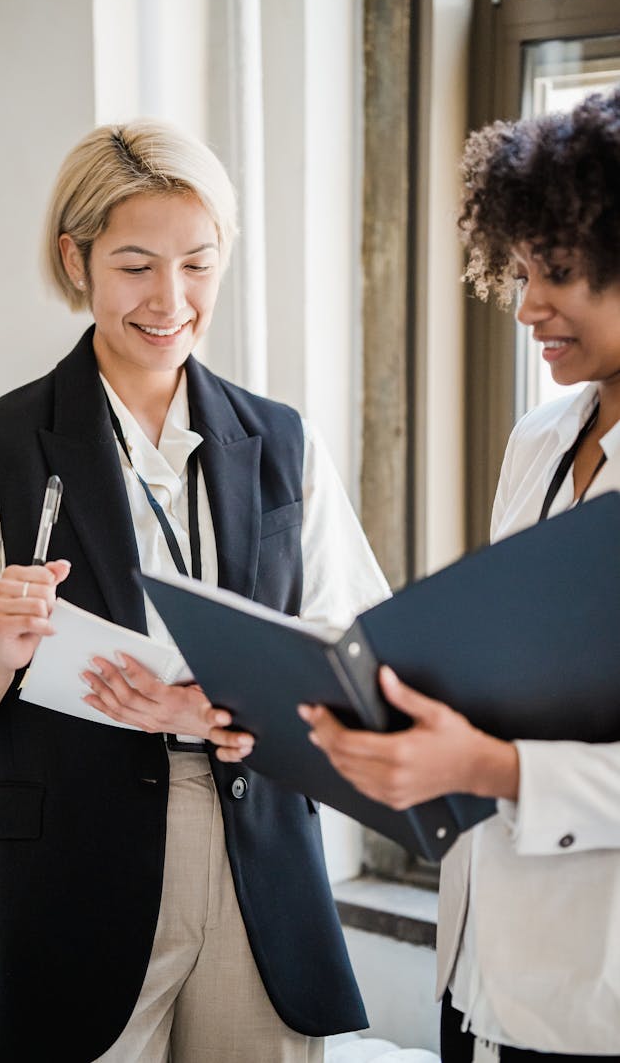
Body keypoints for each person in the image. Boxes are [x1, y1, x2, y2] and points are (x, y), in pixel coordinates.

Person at [0, 119, 390, 1063]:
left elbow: (359, 667)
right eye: (135, 266)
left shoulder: (284, 442)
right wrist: (3, 650)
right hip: (76, 875)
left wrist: (227, 707)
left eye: (198, 264)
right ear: (73, 260)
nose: (171, 299)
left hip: (260, 863)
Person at [213, 87, 620, 1060]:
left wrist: (492, 769)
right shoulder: (543, 441)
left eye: (558, 274)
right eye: (519, 272)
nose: (527, 308)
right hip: (486, 954)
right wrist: (329, 723)